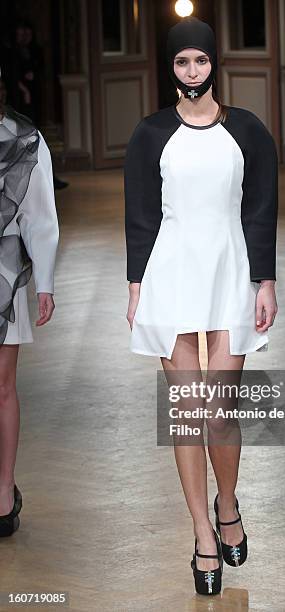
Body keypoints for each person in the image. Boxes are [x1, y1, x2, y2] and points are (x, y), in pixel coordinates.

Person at [124, 17, 278, 596]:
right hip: (171, 271)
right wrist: (137, 286)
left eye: (201, 61)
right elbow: (140, 213)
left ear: (216, 63)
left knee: (221, 409)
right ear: (170, 67)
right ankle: (202, 534)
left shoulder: (248, 131)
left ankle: (229, 504)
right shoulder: (149, 134)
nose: (192, 72)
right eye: (182, 62)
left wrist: (265, 281)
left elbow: (261, 209)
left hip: (231, 269)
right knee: (187, 411)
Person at [0, 74, 59, 536]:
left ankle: (1, 493)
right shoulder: (25, 139)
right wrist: (45, 282)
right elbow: (39, 215)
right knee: (2, 386)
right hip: (8, 271)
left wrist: (46, 282)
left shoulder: (27, 139)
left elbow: (39, 215)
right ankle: (2, 499)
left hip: (6, 270)